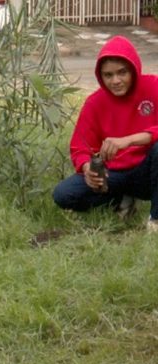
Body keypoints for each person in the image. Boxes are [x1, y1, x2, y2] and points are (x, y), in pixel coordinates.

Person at [52, 35, 158, 229]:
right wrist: (87, 169)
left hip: (148, 172)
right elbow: (80, 147)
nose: (116, 80)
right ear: (101, 76)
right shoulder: (94, 103)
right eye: (108, 75)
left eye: (122, 72)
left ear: (134, 70)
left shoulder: (153, 86)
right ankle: (120, 199)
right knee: (63, 194)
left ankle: (155, 219)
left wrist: (128, 140)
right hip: (113, 175)